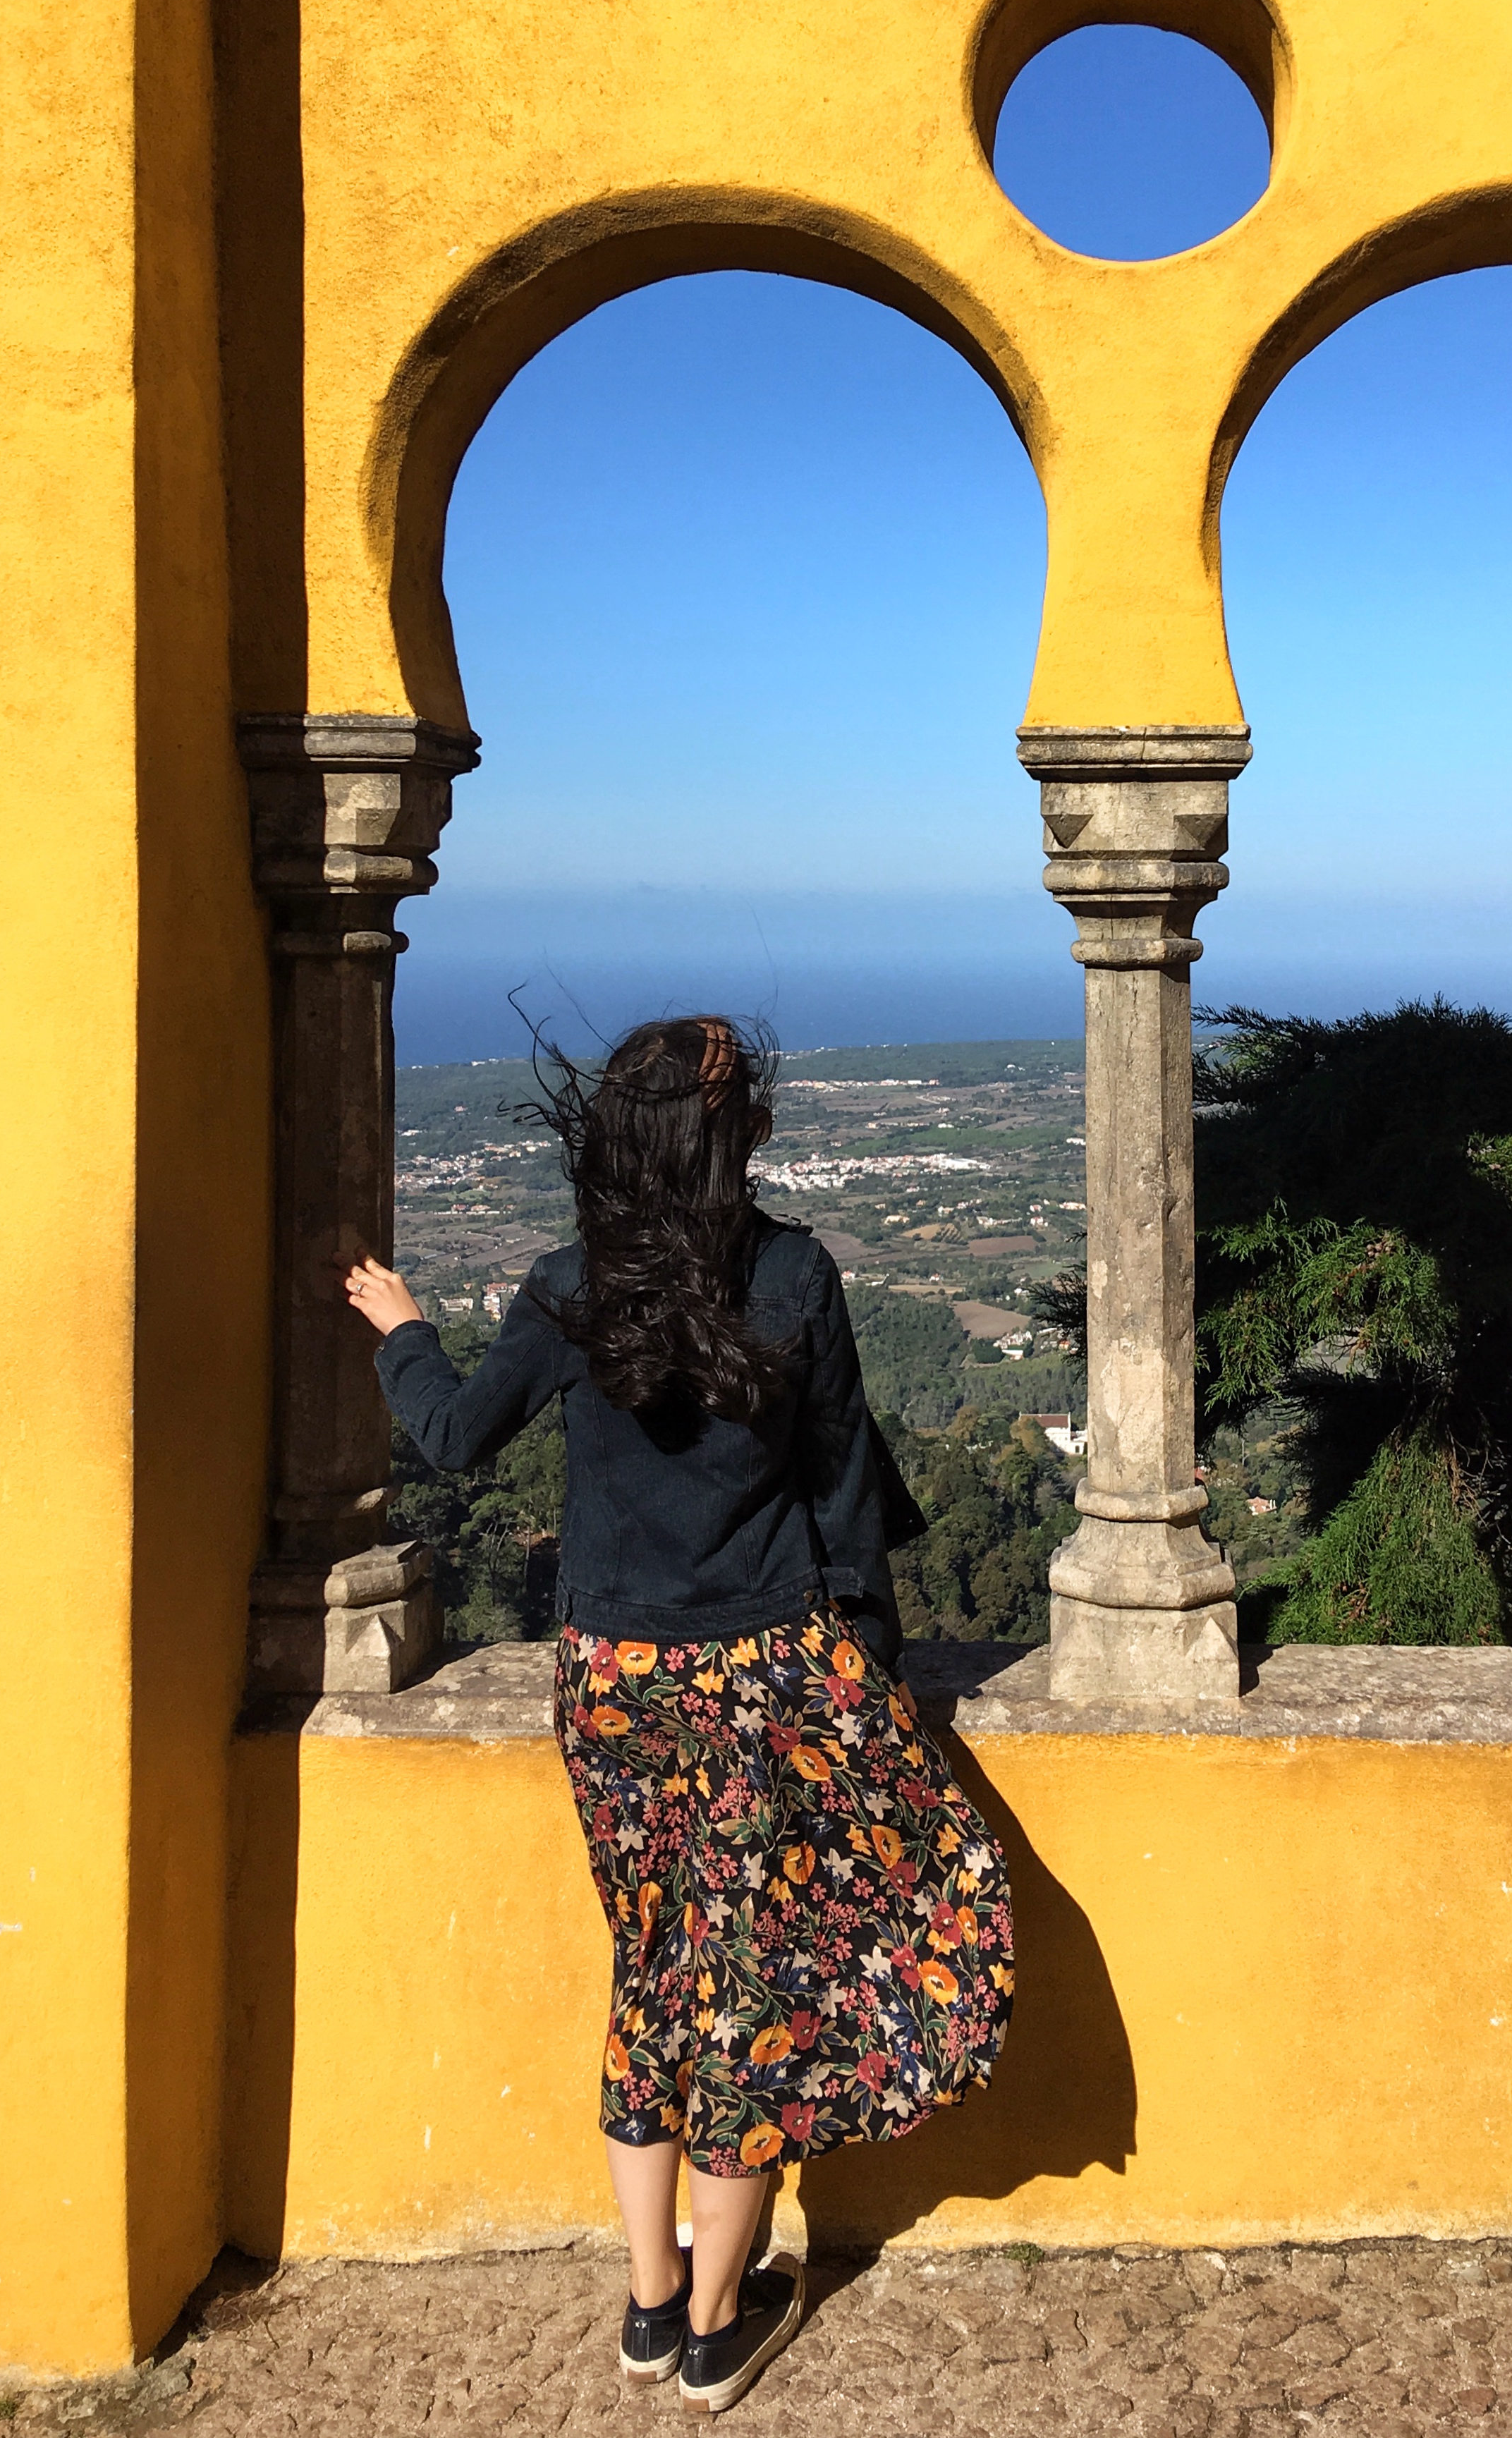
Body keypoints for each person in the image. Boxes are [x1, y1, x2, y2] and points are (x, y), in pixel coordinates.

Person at [345, 1016, 1014, 2415]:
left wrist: (406, 1334)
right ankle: (721, 2320)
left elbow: (458, 1434)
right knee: (754, 1998)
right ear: (735, 1143)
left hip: (616, 1693)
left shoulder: (568, 1288)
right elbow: (839, 1501)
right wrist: (873, 1686)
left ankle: (651, 2303)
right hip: (772, 1680)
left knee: (659, 1979)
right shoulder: (793, 1276)